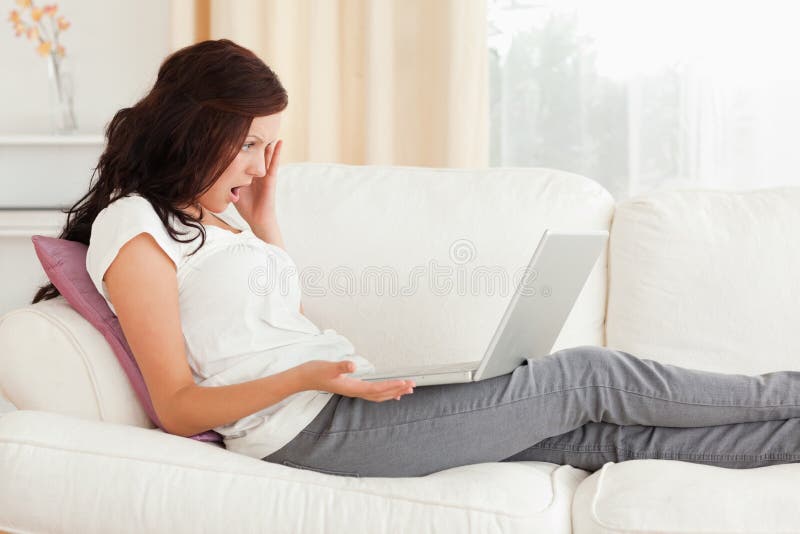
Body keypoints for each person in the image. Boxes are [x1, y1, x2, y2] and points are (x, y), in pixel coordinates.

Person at [32, 39, 800, 478]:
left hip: (341, 401)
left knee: (603, 440)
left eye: (269, 147)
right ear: (199, 129)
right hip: (307, 433)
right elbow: (175, 407)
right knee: (586, 377)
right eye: (253, 145)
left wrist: (263, 220)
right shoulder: (135, 226)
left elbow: (263, 322)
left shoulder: (223, 220)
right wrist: (307, 377)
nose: (263, 164)